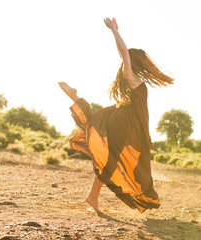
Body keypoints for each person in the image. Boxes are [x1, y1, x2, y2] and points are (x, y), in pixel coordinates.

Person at [59, 17, 174, 214]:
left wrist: (115, 32)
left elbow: (122, 54)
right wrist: (113, 30)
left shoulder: (132, 79)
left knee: (113, 160)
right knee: (125, 162)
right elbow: (123, 53)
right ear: (138, 63)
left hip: (123, 121)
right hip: (126, 124)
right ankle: (94, 196)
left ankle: (92, 196)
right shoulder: (131, 77)